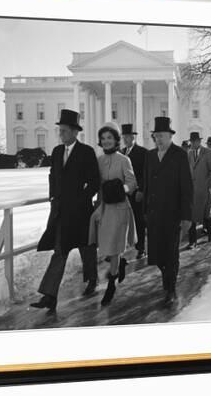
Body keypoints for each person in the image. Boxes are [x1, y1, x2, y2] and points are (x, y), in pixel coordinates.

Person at [30, 109, 100, 312]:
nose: (60, 134)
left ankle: (92, 279)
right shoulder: (57, 152)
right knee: (59, 252)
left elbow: (94, 181)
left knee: (87, 249)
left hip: (80, 213)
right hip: (61, 213)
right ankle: (49, 296)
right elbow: (53, 176)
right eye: (59, 130)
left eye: (63, 131)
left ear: (74, 132)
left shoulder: (86, 152)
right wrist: (53, 196)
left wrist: (82, 200)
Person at [143, 117, 192, 306]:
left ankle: (171, 289)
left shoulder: (179, 155)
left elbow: (187, 187)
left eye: (162, 136)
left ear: (170, 136)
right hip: (154, 214)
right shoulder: (150, 155)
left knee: (171, 253)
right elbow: (146, 184)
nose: (159, 140)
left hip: (173, 214)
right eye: (156, 136)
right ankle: (167, 278)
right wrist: (145, 211)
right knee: (156, 254)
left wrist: (186, 216)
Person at [88, 122, 138, 306]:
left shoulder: (124, 160)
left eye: (110, 138)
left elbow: (132, 184)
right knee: (107, 247)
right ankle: (120, 264)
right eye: (103, 138)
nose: (106, 141)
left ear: (116, 140)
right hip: (103, 208)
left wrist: (120, 190)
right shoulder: (98, 161)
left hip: (119, 208)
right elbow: (96, 185)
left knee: (115, 247)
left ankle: (111, 283)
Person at [184, 132, 211, 248]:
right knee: (192, 216)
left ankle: (210, 231)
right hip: (192, 191)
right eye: (191, 141)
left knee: (206, 214)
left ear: (199, 141)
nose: (192, 143)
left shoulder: (208, 152)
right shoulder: (189, 154)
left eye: (194, 141)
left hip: (205, 190)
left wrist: (207, 184)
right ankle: (192, 241)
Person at [120, 124, 148, 259]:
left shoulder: (142, 152)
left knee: (139, 220)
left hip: (136, 193)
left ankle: (141, 247)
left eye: (127, 137)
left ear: (133, 137)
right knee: (123, 221)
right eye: (123, 137)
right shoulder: (120, 152)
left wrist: (141, 190)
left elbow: (145, 173)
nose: (125, 139)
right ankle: (121, 248)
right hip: (124, 194)